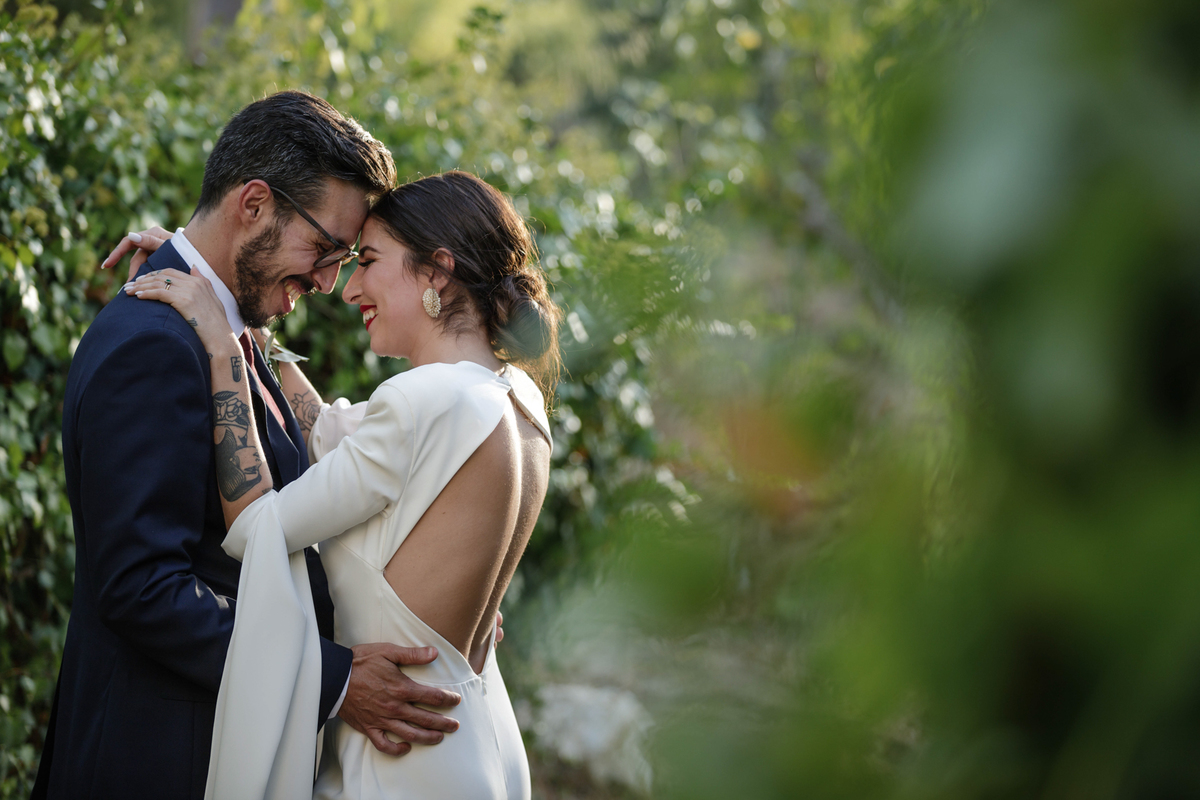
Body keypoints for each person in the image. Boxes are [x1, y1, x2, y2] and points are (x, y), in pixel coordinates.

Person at [33, 91, 465, 800]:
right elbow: (142, 588)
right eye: (325, 249)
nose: (330, 282)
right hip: (156, 758)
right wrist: (334, 678)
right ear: (255, 204)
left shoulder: (220, 330)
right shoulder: (152, 345)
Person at [121, 170, 560, 799]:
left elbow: (254, 528)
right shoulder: (514, 397)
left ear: (436, 272)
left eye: (370, 262)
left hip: (398, 760)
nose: (350, 288)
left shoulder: (420, 402)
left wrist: (220, 348)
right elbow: (325, 431)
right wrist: (237, 309)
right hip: (477, 738)